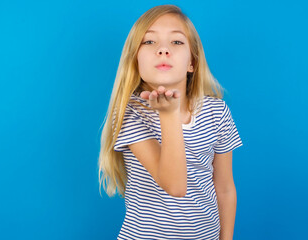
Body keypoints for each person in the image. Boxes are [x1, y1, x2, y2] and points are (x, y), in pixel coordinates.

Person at [98, 4, 243, 240]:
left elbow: (225, 187)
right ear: (135, 61)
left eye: (176, 42)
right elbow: (175, 186)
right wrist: (169, 116)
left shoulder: (217, 112)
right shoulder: (130, 113)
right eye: (149, 42)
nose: (163, 50)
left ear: (191, 63)